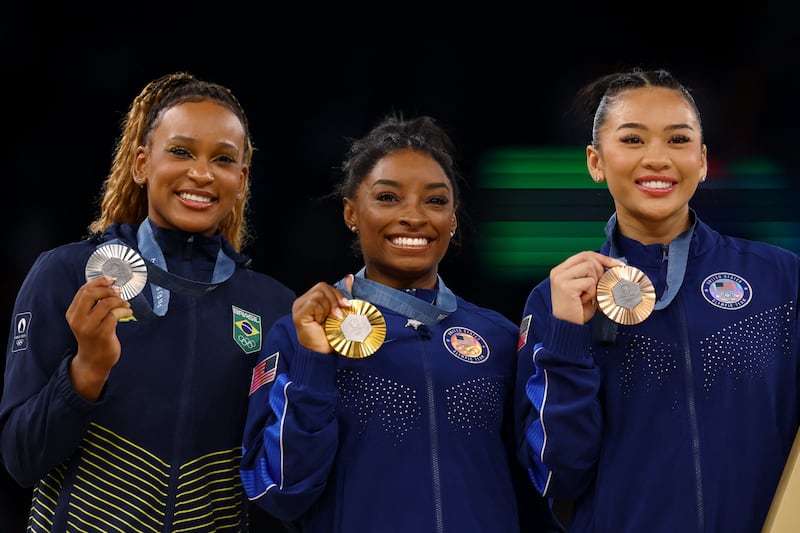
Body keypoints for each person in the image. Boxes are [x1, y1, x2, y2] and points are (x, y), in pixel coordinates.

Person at [0, 72, 297, 532]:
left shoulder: (273, 306)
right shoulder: (66, 274)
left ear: (240, 179)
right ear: (142, 164)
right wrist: (87, 370)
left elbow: (279, 480)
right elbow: (20, 459)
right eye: (180, 151)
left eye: (221, 159)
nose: (200, 172)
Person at [240, 113, 564, 532]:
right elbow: (279, 492)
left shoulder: (499, 338)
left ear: (453, 218)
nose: (414, 216)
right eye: (388, 198)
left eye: (435, 200)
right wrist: (313, 363)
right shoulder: (301, 333)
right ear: (351, 212)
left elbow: (545, 490)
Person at [514, 67, 800, 532]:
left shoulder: (780, 281)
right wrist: (567, 338)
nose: (657, 159)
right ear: (595, 161)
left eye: (678, 140)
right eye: (631, 140)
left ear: (703, 161)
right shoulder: (558, 299)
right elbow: (557, 477)